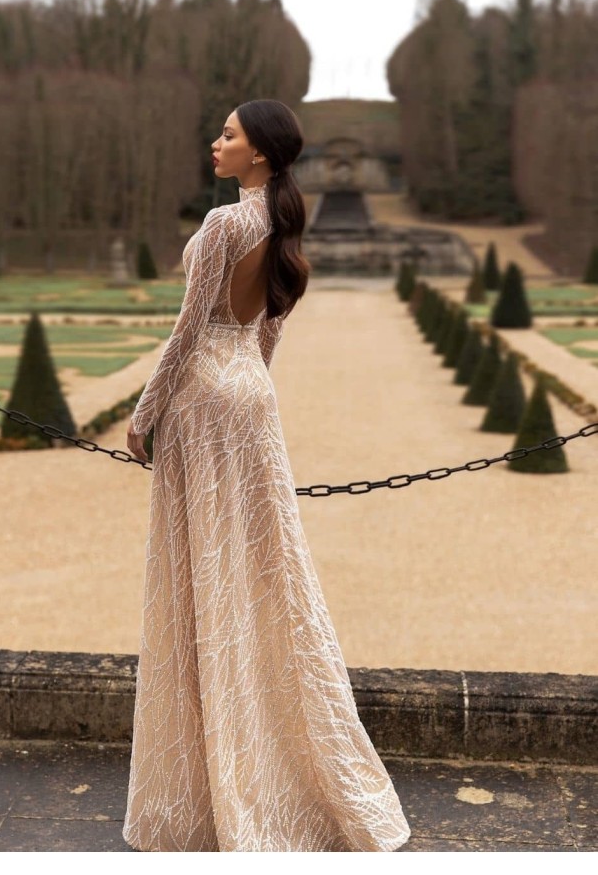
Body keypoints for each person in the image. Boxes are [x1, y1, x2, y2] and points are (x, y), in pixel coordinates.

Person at [122, 99, 411, 852]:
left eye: (228, 135)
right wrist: (254, 391)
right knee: (263, 576)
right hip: (251, 398)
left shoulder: (225, 224)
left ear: (259, 154)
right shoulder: (282, 221)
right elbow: (269, 328)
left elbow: (189, 331)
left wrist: (144, 414)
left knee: (204, 580)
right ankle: (282, 764)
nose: (215, 142)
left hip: (203, 402)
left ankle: (212, 791)